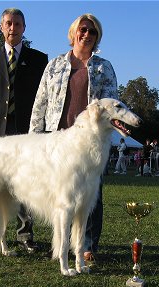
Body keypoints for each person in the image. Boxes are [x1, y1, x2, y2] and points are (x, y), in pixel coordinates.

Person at [29, 13, 117, 264]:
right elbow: (40, 102)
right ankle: (61, 245)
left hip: (89, 144)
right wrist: (34, 136)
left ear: (97, 37)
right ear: (74, 33)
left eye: (92, 32)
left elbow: (111, 107)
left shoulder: (104, 67)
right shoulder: (55, 64)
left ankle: (86, 246)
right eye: (83, 29)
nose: (87, 35)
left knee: (91, 196)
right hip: (56, 141)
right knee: (60, 196)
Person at [0, 8, 48, 253]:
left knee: (27, 183)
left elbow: (43, 97)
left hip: (27, 131)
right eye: (8, 23)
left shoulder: (39, 60)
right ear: (1, 27)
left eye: (17, 23)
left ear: (24, 28)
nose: (12, 28)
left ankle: (25, 234)